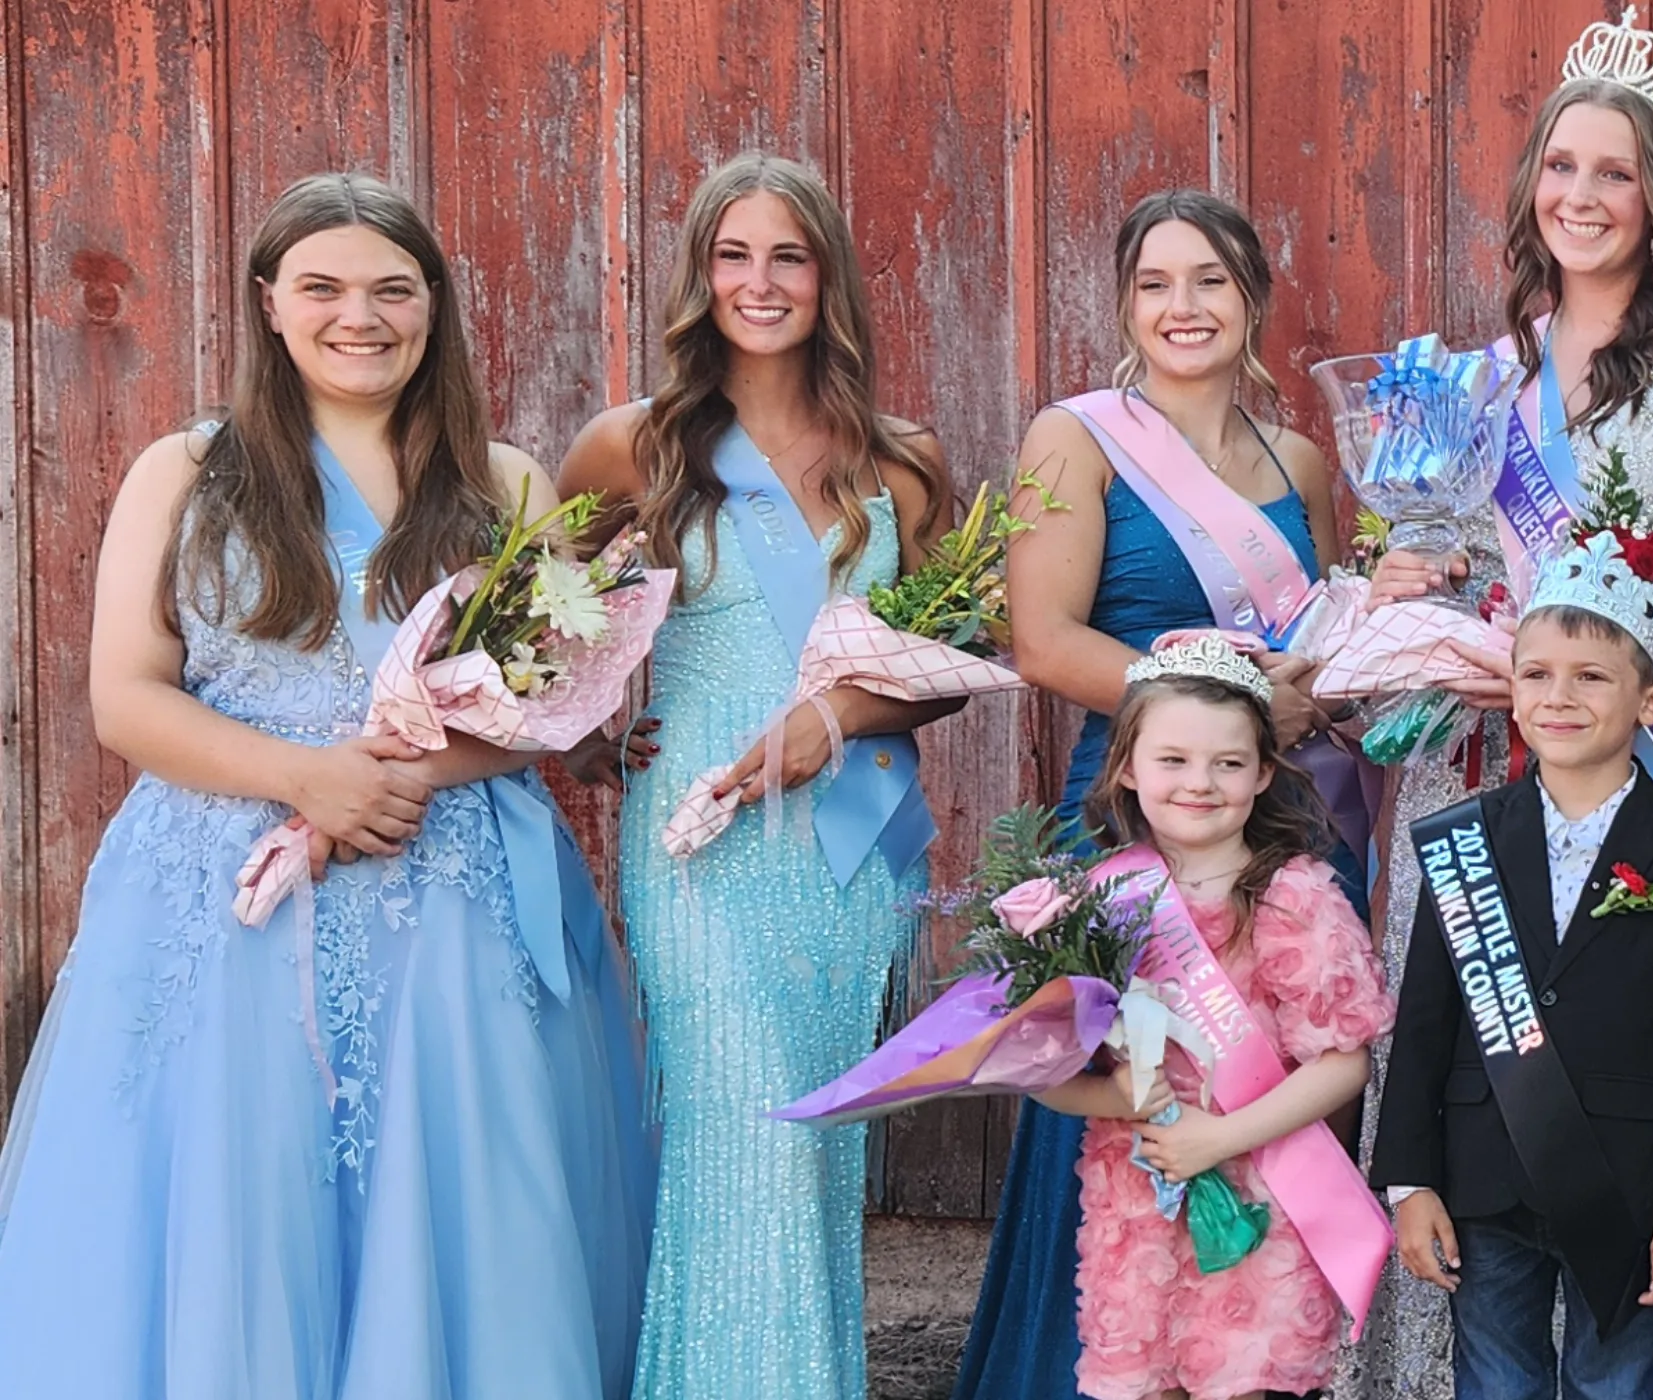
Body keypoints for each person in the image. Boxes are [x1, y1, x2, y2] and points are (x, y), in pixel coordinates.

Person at [0, 172, 652, 1398]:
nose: (362, 316)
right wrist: (308, 777)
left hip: (447, 886)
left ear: (434, 305)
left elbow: (559, 698)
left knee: (455, 1180)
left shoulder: (503, 480)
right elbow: (127, 696)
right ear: (270, 305)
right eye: (325, 288)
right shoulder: (187, 472)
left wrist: (407, 775)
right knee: (239, 1187)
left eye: (393, 288)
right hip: (229, 885)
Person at [1348, 12, 1653, 1396]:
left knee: (1631, 1059)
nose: (1582, 197)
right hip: (1477, 769)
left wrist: (1599, 645)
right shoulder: (1475, 381)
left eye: (1615, 171)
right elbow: (1436, 551)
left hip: (1644, 765)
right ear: (1531, 187)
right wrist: (1405, 574)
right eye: (1560, 168)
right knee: (1458, 1065)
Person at [555, 152, 959, 1400]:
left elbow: (950, 666)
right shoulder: (635, 446)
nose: (761, 280)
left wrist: (834, 715)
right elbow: (536, 639)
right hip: (703, 838)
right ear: (700, 274)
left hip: (848, 843)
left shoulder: (900, 461)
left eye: (788, 254)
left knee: (819, 1154)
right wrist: (586, 739)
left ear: (827, 273)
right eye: (734, 254)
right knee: (747, 1139)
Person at [953, 188, 1354, 1400]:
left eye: (1211, 282)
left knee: (1262, 1106)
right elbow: (1041, 640)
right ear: (1126, 304)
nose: (1183, 308)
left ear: (1255, 300)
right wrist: (1223, 694)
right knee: (1126, 1110)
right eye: (1155, 284)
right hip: (1134, 817)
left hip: (1277, 825)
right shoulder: (1076, 435)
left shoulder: (1304, 463)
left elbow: (1319, 648)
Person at [1373, 537, 1653, 1400]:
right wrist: (1411, 1178)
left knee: (1616, 1387)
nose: (1559, 697)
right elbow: (1424, 1021)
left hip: (1628, 1183)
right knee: (1496, 1384)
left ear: (1651, 700)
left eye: (1591, 676)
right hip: (1483, 1176)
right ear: (1510, 690)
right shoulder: (1466, 838)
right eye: (1537, 675)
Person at [1024, 637, 1395, 1400]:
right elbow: (1045, 1074)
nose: (1201, 783)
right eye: (1173, 760)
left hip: (1267, 1193)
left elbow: (1345, 1060)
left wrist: (1218, 1137)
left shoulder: (1295, 895)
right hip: (1140, 1200)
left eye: (1228, 763)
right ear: (1127, 766)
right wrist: (1130, 1096)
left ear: (1264, 773)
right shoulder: (1094, 900)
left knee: (1246, 1380)